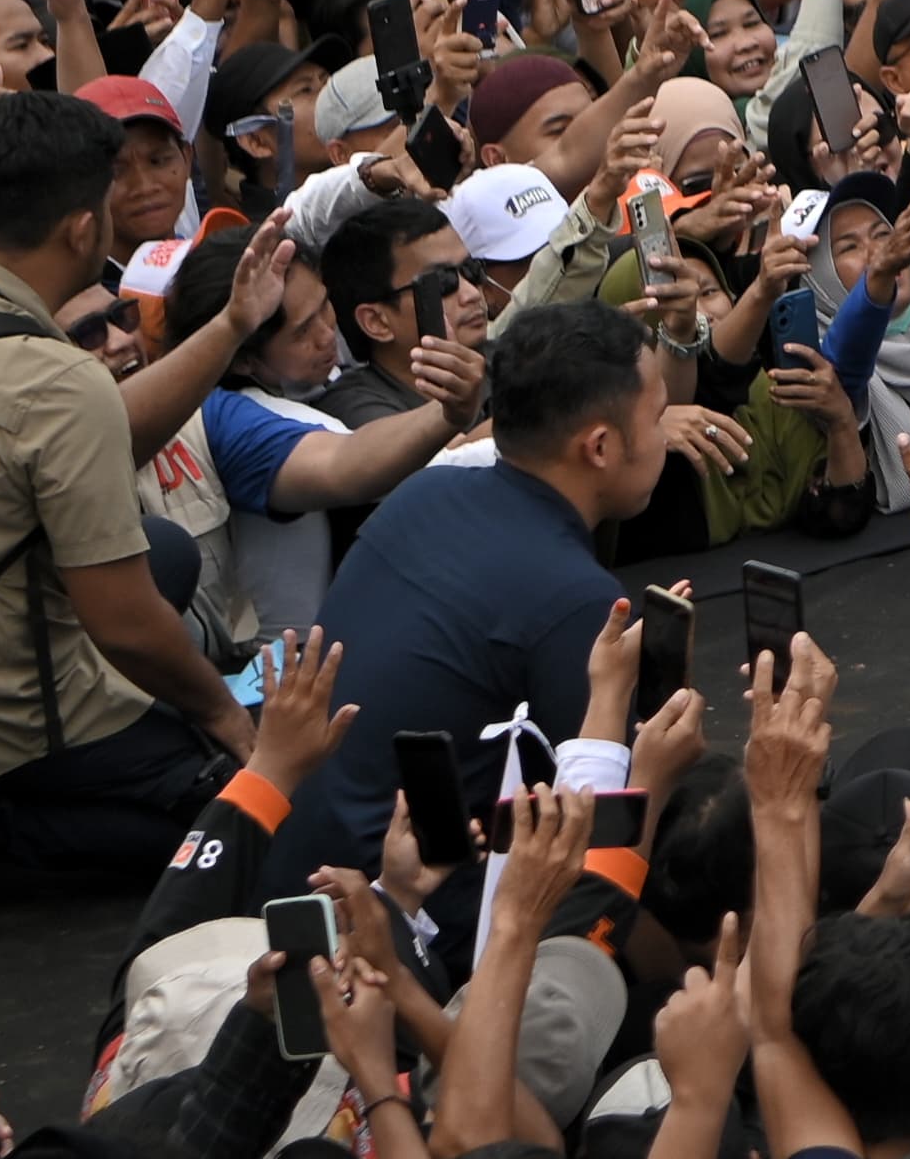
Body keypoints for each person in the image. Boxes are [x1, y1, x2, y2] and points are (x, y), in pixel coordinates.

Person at [0, 93, 253, 938]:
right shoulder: (58, 383)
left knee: (162, 552)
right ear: (80, 227)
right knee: (234, 820)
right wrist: (227, 723)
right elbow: (125, 624)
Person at [274, 303, 675, 879]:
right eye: (658, 417)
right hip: (412, 919)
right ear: (601, 448)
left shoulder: (423, 493)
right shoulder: (577, 599)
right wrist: (669, 760)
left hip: (294, 871)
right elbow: (604, 818)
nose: (665, 436)